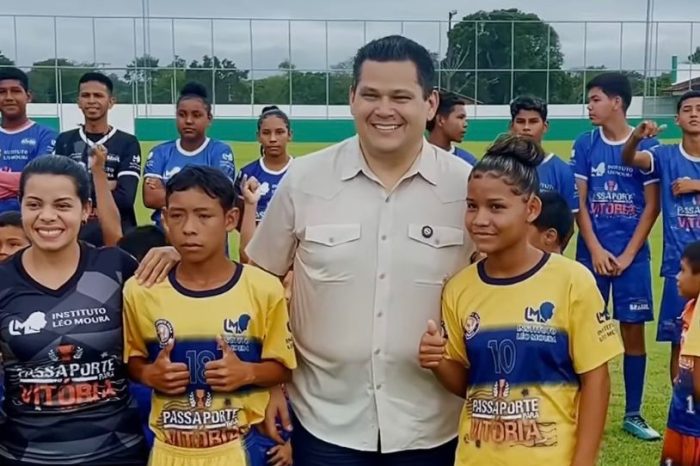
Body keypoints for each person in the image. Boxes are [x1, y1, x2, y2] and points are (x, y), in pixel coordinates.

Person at [247, 35, 473, 465]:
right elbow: (259, 283)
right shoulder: (306, 179)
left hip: (433, 424)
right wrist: (270, 383)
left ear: (430, 104)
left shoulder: (465, 187)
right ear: (351, 98)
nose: (383, 109)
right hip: (324, 422)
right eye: (370, 94)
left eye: (400, 96)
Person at [419, 134, 622, 466]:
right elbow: (469, 385)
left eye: (496, 207)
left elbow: (596, 381)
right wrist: (438, 360)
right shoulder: (459, 287)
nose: (480, 219)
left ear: (531, 209)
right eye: (472, 206)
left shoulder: (572, 281)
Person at [123, 165, 296, 466]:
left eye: (204, 216)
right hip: (169, 450)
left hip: (239, 448)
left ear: (231, 219)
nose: (189, 228)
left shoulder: (263, 289)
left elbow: (283, 367)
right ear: (164, 218)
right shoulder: (141, 291)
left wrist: (247, 373)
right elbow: (133, 360)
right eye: (177, 216)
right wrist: (150, 374)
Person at [0, 155, 147, 465]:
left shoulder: (116, 268)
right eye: (35, 204)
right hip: (25, 455)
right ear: (21, 205)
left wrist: (173, 253)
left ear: (87, 210)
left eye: (63, 205)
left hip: (116, 454)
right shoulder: (3, 281)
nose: (47, 216)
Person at [570, 72, 661, 440]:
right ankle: (576, 409)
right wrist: (594, 249)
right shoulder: (585, 143)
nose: (589, 106)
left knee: (632, 330)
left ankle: (633, 414)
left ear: (617, 102)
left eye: (594, 99)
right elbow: (580, 203)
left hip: (632, 257)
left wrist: (626, 255)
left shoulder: (648, 148)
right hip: (591, 253)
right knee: (582, 331)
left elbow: (651, 207)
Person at [621, 90, 700, 384]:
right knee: (680, 343)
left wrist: (695, 184)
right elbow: (629, 158)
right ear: (677, 118)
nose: (694, 114)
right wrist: (635, 138)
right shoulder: (665, 155)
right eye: (688, 109)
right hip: (679, 269)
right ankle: (682, 409)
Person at [53, 72, 142, 246]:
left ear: (111, 102)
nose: (91, 101)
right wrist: (108, 184)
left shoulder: (127, 142)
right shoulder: (65, 141)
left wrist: (80, 185)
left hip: (118, 233)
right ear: (78, 101)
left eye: (98, 95)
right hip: (76, 233)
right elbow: (59, 192)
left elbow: (126, 199)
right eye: (86, 95)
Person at [143, 82, 235, 228]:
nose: (189, 121)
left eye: (196, 115)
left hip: (206, 235)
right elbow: (151, 198)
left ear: (209, 118)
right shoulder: (160, 152)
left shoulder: (220, 152)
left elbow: (220, 197)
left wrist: (167, 190)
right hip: (165, 235)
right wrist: (201, 194)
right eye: (182, 115)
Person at [236, 106, 293, 263]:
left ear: (290, 135)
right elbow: (238, 220)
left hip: (292, 258)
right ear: (258, 136)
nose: (273, 139)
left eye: (280, 132)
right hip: (254, 256)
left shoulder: (301, 171)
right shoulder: (247, 174)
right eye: (266, 133)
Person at [660, 240, 700, 466]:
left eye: (683, 270)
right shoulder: (690, 308)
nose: (677, 277)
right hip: (681, 415)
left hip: (694, 426)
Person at [0, 67, 57, 213]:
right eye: (2, 92)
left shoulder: (47, 135)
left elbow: (39, 179)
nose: (8, 97)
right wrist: (21, 184)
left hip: (30, 220)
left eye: (15, 91)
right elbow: (29, 180)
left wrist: (29, 181)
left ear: (28, 96)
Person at [509, 95, 578, 213]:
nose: (526, 127)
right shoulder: (499, 165)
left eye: (533, 122)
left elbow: (567, 221)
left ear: (545, 127)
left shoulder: (561, 170)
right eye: (520, 122)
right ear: (512, 126)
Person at [427, 89, 478, 166]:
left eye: (465, 119)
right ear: (441, 120)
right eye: (460, 117)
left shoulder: (468, 162)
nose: (465, 124)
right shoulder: (413, 159)